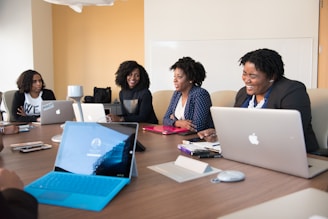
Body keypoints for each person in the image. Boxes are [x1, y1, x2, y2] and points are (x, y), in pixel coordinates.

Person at [198, 48, 319, 153]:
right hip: (250, 152)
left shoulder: (292, 91)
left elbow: (290, 135)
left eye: (253, 76)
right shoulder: (242, 94)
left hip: (293, 155)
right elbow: (237, 127)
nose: (246, 80)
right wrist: (219, 134)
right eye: (244, 73)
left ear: (272, 77)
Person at [163, 56, 214, 132]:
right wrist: (178, 123)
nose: (175, 80)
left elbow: (197, 126)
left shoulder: (200, 94)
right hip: (179, 136)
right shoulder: (177, 94)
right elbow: (165, 120)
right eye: (174, 76)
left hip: (199, 139)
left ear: (191, 79)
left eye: (179, 77)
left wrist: (173, 121)